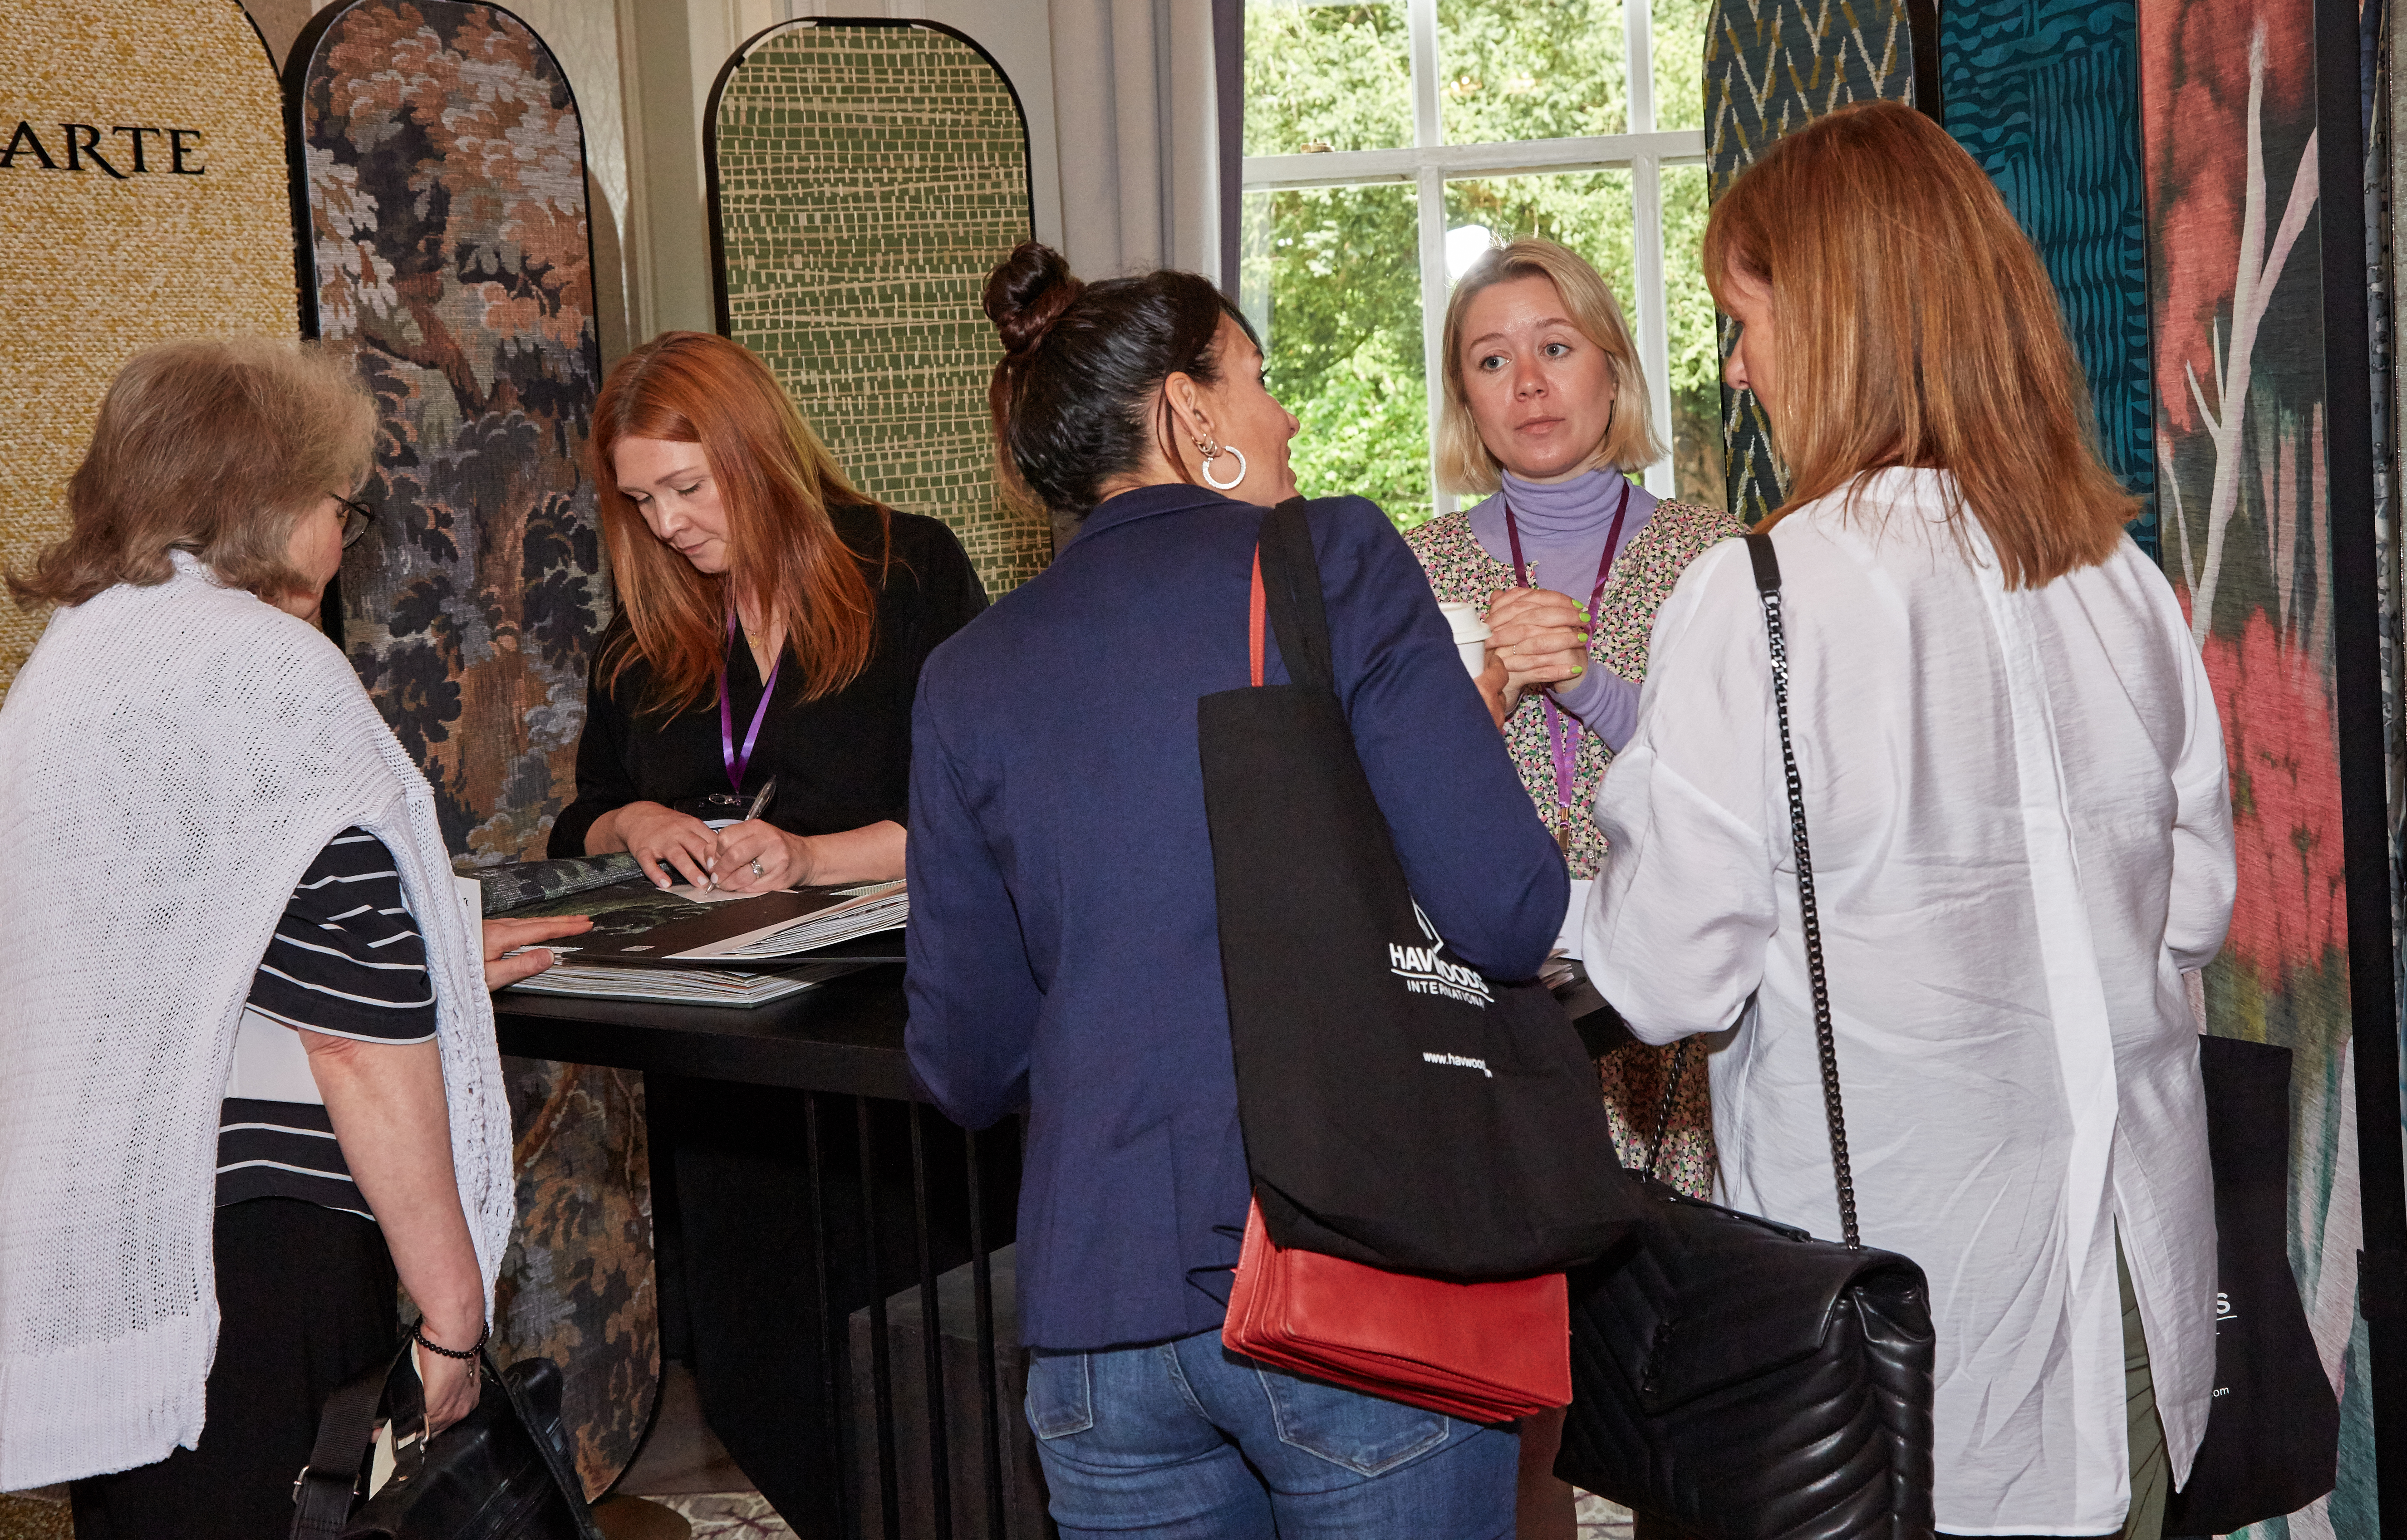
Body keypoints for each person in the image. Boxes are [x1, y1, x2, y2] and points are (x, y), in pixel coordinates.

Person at [1583, 101, 2232, 1540]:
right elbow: (2194, 911)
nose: (1737, 366)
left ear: (1839, 321)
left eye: (1746, 321)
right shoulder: (2120, 578)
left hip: (1893, 1333)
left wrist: (1539, 905)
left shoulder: (1758, 598)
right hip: (2132, 1279)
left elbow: (1671, 969)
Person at [902, 242, 1567, 1540]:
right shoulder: (1335, 559)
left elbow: (968, 1061)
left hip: (1096, 1316)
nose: (1288, 413)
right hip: (1345, 1268)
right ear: (1186, 410)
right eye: (1257, 378)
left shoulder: (969, 673)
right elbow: (1507, 908)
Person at [0, 338, 588, 1538]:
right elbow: (352, 1039)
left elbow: (189, 944)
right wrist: (454, 1312)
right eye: (340, 502)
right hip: (264, 1259)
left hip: (123, 1248)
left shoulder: (81, 666)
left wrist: (434, 966)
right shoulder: (264, 678)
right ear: (276, 501)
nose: (344, 535)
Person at [546, 329, 986, 1532]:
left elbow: (989, 808)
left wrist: (810, 859)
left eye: (690, 488)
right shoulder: (642, 638)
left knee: (920, 1376)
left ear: (758, 453)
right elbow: (579, 814)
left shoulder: (908, 571)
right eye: (643, 502)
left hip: (891, 1050)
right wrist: (633, 819)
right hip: (722, 1069)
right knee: (764, 1379)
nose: (671, 523)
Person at [1401, 237, 1743, 1535]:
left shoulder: (1721, 555)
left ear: (1611, 367)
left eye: (1555, 346)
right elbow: (1377, 798)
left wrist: (1593, 685)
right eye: (1492, 359)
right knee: (1516, 1386)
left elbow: (1754, 785)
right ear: (1465, 398)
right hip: (1494, 1017)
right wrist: (1484, 697)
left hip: (1682, 1021)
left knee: (1689, 1374)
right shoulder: (1410, 567)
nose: (1529, 382)